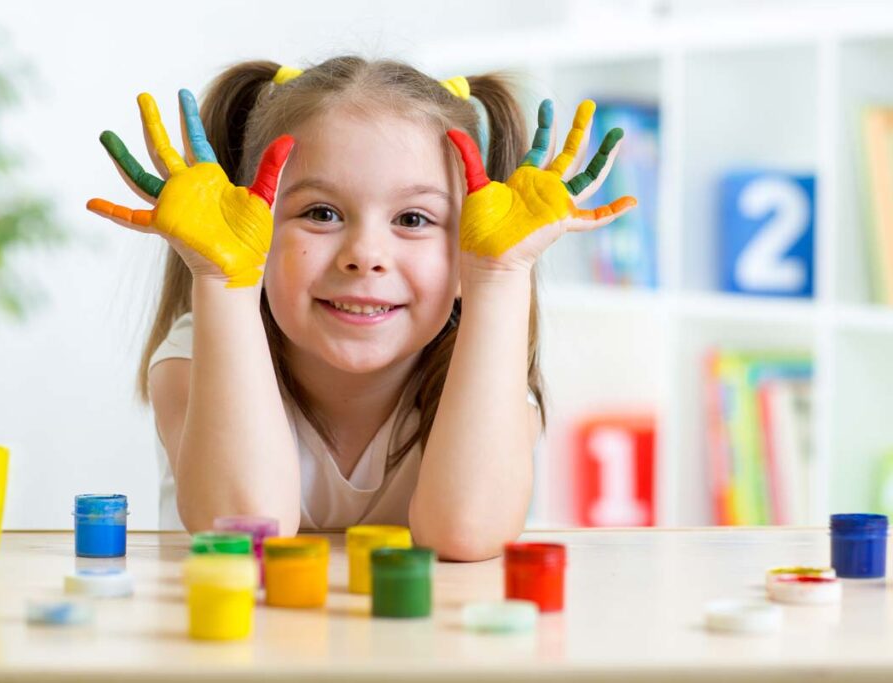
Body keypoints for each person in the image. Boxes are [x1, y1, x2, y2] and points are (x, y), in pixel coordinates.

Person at [87, 56, 634, 561]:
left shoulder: (484, 368)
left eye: (414, 219)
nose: (366, 256)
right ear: (254, 231)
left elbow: (465, 533)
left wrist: (498, 276)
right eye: (321, 213)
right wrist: (223, 280)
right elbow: (244, 532)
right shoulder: (193, 355)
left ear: (465, 248)